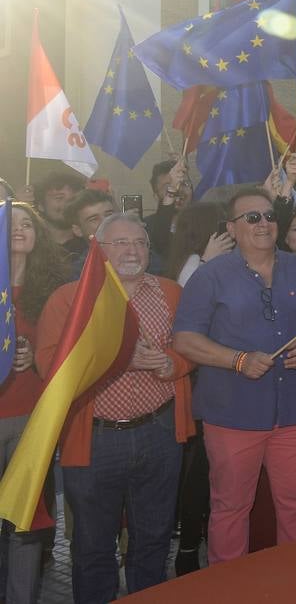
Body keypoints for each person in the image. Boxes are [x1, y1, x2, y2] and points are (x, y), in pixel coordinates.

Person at [37, 213, 194, 602]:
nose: (133, 250)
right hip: (95, 440)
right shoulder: (69, 298)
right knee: (92, 544)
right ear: (99, 250)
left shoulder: (172, 292)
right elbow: (48, 363)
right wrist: (121, 360)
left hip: (160, 434)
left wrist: (171, 363)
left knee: (155, 536)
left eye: (140, 242)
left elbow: (191, 347)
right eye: (121, 243)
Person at [173, 186, 296, 564]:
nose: (264, 223)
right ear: (231, 226)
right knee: (230, 509)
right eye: (252, 217)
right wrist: (237, 360)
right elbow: (184, 340)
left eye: (269, 216)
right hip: (233, 416)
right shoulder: (209, 276)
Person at [0, 203, 67, 604]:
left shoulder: (52, 293)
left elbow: (65, 354)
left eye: (28, 224)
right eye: (11, 224)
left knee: (23, 518)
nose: (21, 230)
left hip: (31, 420)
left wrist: (37, 361)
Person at [161, 200, 229, 575]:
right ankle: (189, 545)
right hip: (199, 377)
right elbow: (186, 313)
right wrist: (206, 261)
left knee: (207, 467)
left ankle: (198, 536)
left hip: (212, 375)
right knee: (200, 468)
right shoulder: (192, 265)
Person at [30, 167, 82, 248]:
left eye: (73, 199)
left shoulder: (89, 246)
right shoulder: (29, 245)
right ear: (40, 205)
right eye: (59, 198)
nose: (68, 204)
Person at [62, 189, 116, 262]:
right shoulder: (79, 271)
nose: (105, 222)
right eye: (94, 219)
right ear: (78, 230)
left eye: (109, 215)